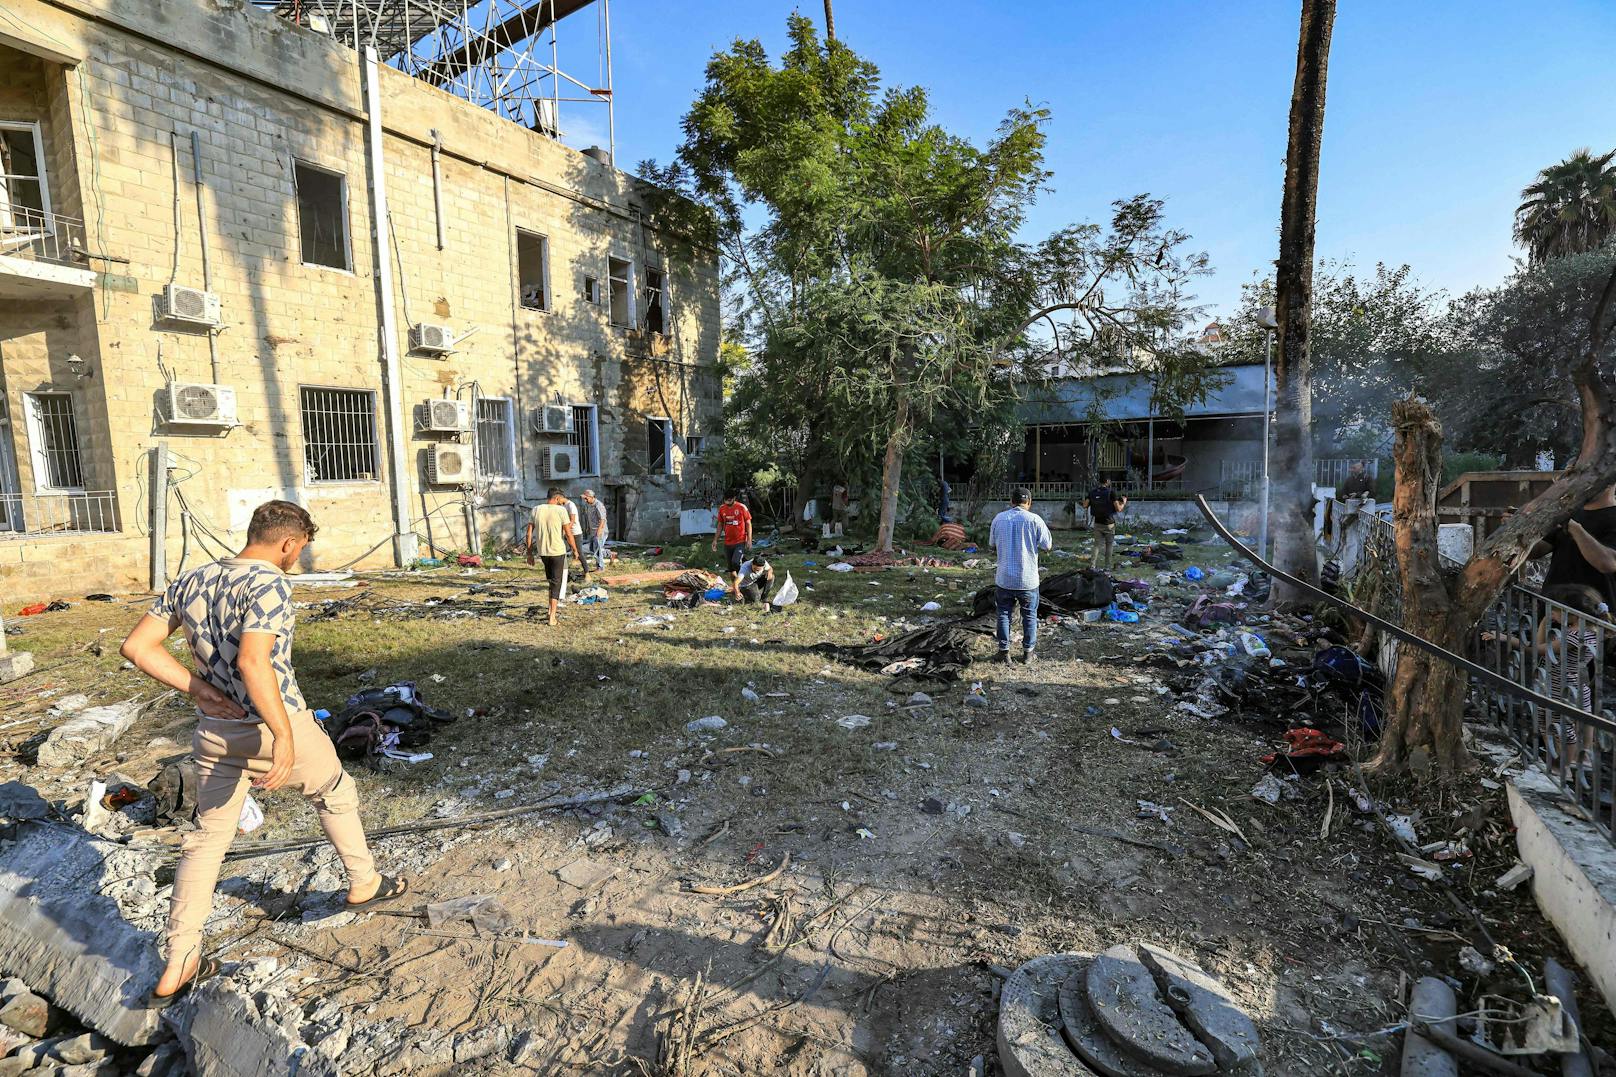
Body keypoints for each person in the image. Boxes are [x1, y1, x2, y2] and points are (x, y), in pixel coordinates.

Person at [119, 500, 402, 1005]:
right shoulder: (269, 582)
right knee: (335, 791)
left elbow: (137, 647)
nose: (297, 558)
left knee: (207, 837)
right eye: (300, 550)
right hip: (273, 722)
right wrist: (285, 734)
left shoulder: (191, 580)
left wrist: (197, 690)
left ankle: (180, 958)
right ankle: (363, 882)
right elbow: (254, 660)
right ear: (289, 542)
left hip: (214, 730)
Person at [989, 487, 1053, 663]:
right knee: (1029, 615)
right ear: (1029, 503)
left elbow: (991, 545)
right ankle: (1028, 654)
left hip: (1004, 578)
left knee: (1003, 614)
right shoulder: (1035, 520)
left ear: (1011, 502)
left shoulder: (999, 519)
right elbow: (1047, 546)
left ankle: (1004, 652)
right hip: (1028, 580)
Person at [1534, 484, 1616, 610]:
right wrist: (1516, 530)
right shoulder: (1571, 512)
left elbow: (1607, 563)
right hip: (1554, 610)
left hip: (1591, 618)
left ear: (1608, 482)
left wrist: (1574, 528)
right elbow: (1538, 550)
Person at [526, 488, 587, 626]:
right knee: (556, 584)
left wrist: (529, 553)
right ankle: (552, 617)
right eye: (561, 501)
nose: (561, 503)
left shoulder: (536, 509)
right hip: (557, 552)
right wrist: (575, 550)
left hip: (543, 552)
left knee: (551, 581)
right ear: (558, 499)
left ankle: (549, 611)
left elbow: (529, 533)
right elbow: (568, 533)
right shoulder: (561, 511)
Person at [712, 490, 753, 600]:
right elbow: (720, 524)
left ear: (734, 498)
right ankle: (736, 589)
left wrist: (749, 539)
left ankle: (745, 582)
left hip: (740, 541)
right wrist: (715, 540)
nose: (728, 502)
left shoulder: (741, 507)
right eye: (726, 500)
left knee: (736, 562)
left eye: (730, 499)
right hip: (727, 542)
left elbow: (748, 523)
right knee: (731, 569)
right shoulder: (722, 509)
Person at [1083, 477, 1127, 570]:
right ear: (1107, 482)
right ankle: (1107, 566)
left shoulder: (1092, 492)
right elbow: (1118, 509)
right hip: (1109, 524)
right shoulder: (1111, 492)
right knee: (1109, 545)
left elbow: (1085, 505)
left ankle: (1092, 566)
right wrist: (1123, 502)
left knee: (1096, 545)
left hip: (1097, 523)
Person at [579, 488, 609, 572]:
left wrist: (599, 531)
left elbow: (602, 519)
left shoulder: (598, 505)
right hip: (592, 531)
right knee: (592, 548)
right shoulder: (588, 505)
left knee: (597, 548)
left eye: (586, 498)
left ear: (591, 497)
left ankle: (600, 567)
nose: (585, 500)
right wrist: (588, 528)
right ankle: (609, 554)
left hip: (599, 531)